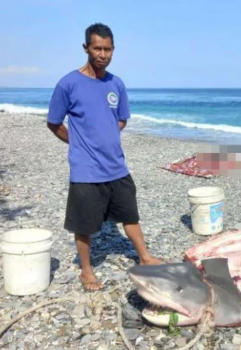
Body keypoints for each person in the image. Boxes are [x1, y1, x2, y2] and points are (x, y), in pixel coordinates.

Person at [47, 23, 163, 291]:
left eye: (107, 49)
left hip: (117, 166)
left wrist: (104, 136)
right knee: (84, 223)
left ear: (113, 50)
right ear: (86, 47)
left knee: (130, 214)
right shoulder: (68, 84)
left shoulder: (116, 84)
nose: (102, 54)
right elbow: (54, 123)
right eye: (97, 48)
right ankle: (86, 270)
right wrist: (78, 142)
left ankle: (144, 257)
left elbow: (120, 120)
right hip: (85, 170)